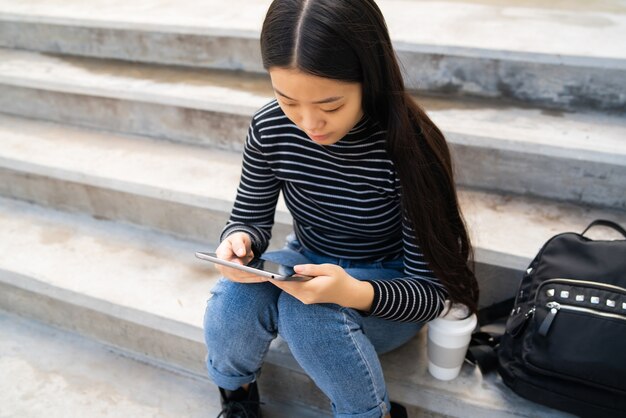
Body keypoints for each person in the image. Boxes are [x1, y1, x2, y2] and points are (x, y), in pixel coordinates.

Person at [203, 0, 479, 417]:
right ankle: (237, 398)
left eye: (330, 106)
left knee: (306, 312)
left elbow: (432, 294)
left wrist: (351, 291)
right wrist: (238, 241)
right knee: (235, 295)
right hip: (307, 257)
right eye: (287, 100)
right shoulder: (270, 128)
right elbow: (249, 217)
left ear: (370, 78)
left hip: (388, 282)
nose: (309, 122)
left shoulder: (409, 146)